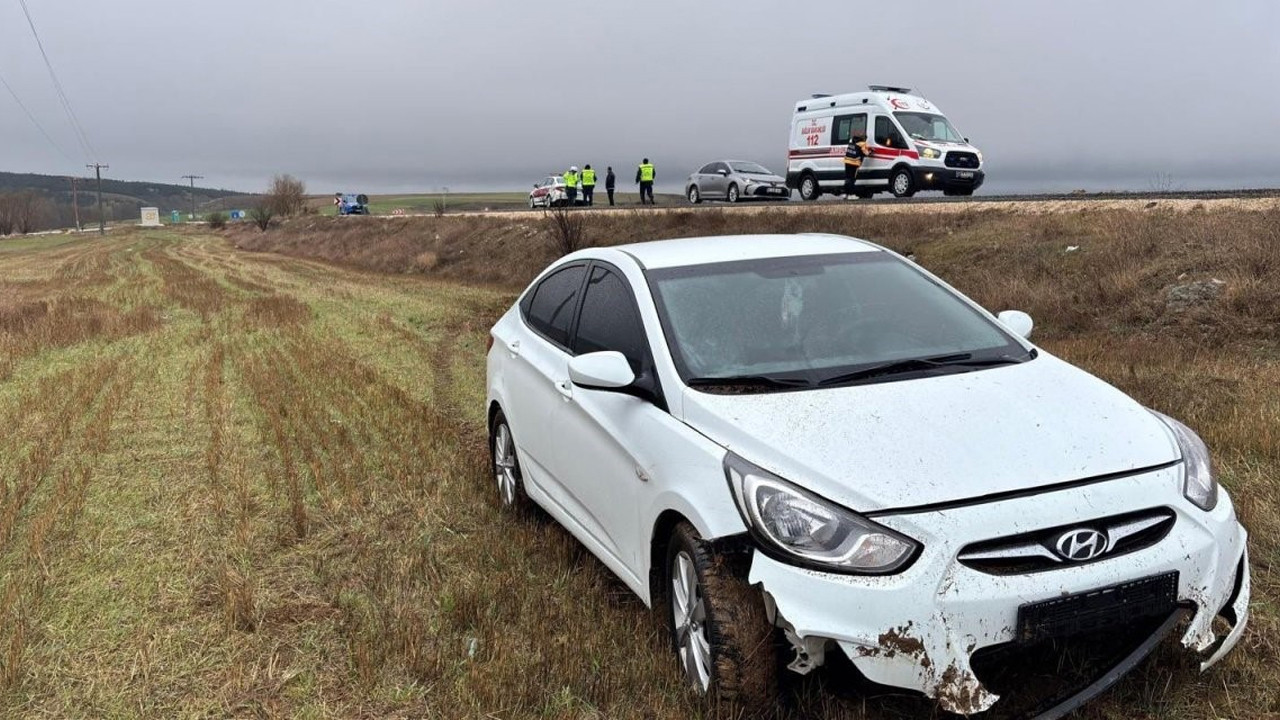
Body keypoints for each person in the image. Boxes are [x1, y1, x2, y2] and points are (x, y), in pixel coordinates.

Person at [843, 133, 869, 198]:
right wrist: (870, 151)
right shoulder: (862, 144)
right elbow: (866, 153)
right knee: (852, 179)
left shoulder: (852, 142)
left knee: (847, 178)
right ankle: (851, 195)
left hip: (847, 161)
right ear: (864, 139)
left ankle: (846, 194)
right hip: (854, 163)